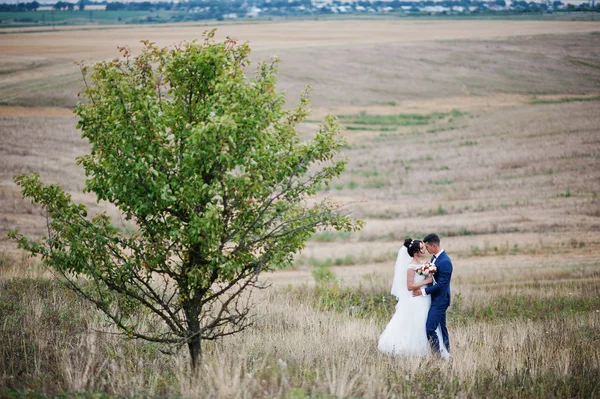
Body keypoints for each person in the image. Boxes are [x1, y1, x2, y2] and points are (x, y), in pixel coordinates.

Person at [378, 238, 449, 357]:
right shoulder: (411, 267)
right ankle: (414, 351)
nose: (424, 250)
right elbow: (410, 286)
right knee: (417, 324)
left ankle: (433, 351)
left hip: (424, 298)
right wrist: (426, 281)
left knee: (426, 324)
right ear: (416, 252)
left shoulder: (422, 265)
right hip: (416, 300)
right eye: (422, 248)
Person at [412, 233, 452, 359]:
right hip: (433, 298)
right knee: (442, 328)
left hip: (440, 300)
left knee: (430, 328)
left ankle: (438, 356)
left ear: (434, 246)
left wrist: (422, 292)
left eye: (427, 247)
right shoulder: (434, 258)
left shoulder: (445, 262)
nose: (426, 250)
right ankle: (446, 352)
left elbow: (441, 285)